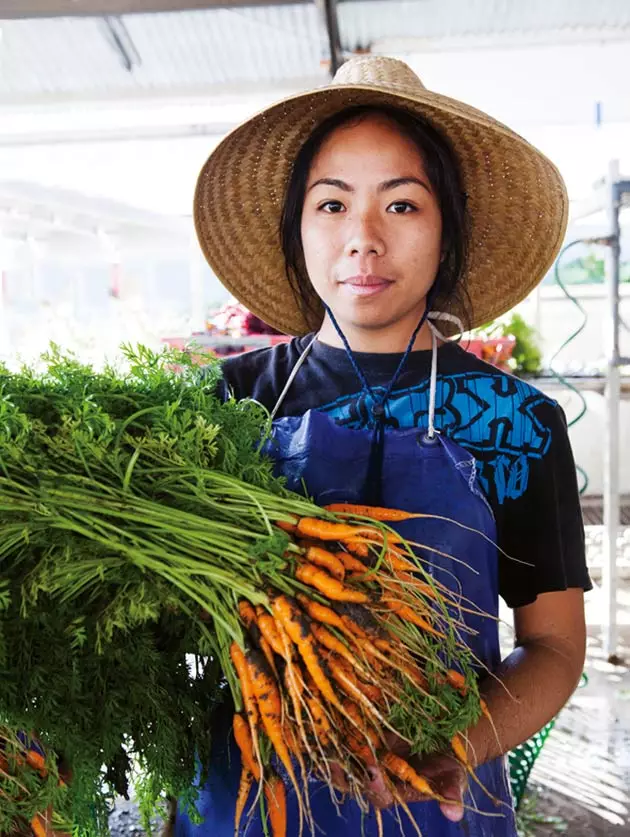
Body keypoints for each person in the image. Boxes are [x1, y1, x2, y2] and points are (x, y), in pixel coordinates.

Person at [177, 56, 590, 836]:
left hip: (438, 805)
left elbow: (555, 647)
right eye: (331, 204)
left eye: (402, 206)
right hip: (246, 802)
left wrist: (458, 746)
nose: (362, 239)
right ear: (297, 230)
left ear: (448, 231)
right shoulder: (228, 406)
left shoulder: (517, 423)